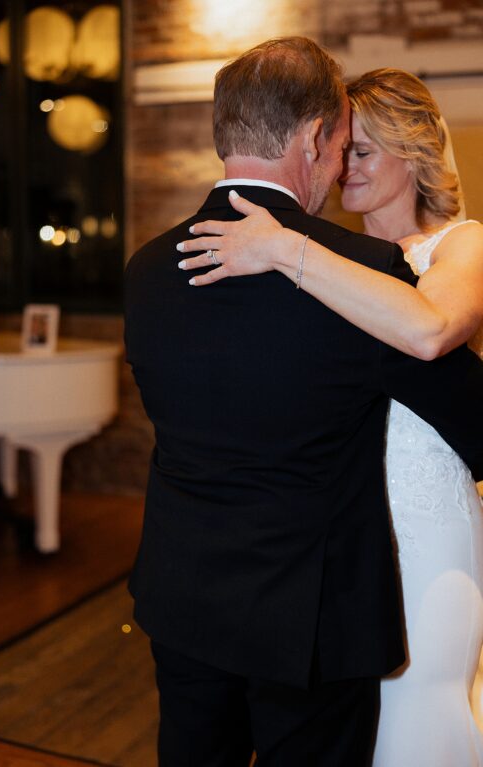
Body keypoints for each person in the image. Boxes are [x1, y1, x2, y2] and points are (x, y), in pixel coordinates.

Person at [123, 38, 483, 766]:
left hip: (183, 597)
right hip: (310, 618)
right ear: (315, 137)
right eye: (345, 145)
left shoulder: (147, 268)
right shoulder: (362, 272)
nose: (344, 165)